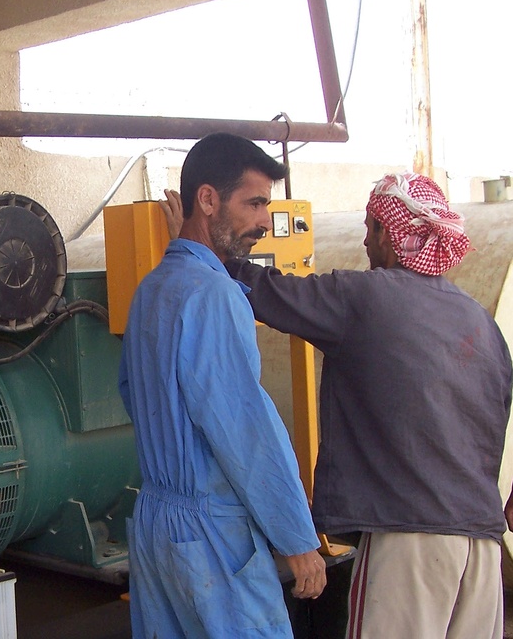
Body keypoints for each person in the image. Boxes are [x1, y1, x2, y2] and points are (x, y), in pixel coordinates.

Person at [198, 170, 511, 638]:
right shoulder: (480, 321)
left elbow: (269, 293)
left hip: (409, 544)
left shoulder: (364, 297)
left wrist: (204, 249)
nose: (365, 241)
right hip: (483, 550)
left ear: (391, 233)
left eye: (371, 227)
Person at [119, 132, 326, 638]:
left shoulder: (152, 289)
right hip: (214, 535)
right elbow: (245, 431)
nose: (264, 221)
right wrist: (297, 538)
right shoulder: (214, 296)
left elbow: (130, 390)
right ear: (207, 199)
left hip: (157, 528)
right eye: (254, 203)